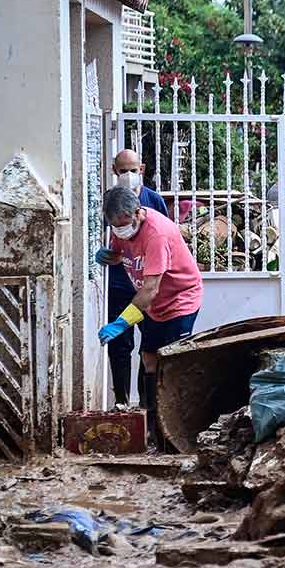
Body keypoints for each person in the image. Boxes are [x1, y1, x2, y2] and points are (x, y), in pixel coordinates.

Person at [96, 186, 203, 442]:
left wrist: (122, 323)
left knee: (172, 362)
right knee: (149, 358)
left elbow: (150, 289)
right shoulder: (121, 228)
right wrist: (107, 257)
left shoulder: (157, 233)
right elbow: (121, 255)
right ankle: (154, 427)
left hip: (179, 300)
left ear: (137, 213)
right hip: (154, 306)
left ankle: (177, 430)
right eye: (114, 225)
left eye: (123, 224)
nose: (120, 230)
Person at [105, 149, 168, 407]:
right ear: (114, 171)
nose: (128, 175)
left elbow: (167, 241)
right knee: (120, 346)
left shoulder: (154, 201)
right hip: (120, 285)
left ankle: (146, 406)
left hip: (147, 289)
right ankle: (121, 402)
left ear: (141, 169)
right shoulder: (110, 202)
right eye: (123, 171)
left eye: (133, 170)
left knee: (149, 350)